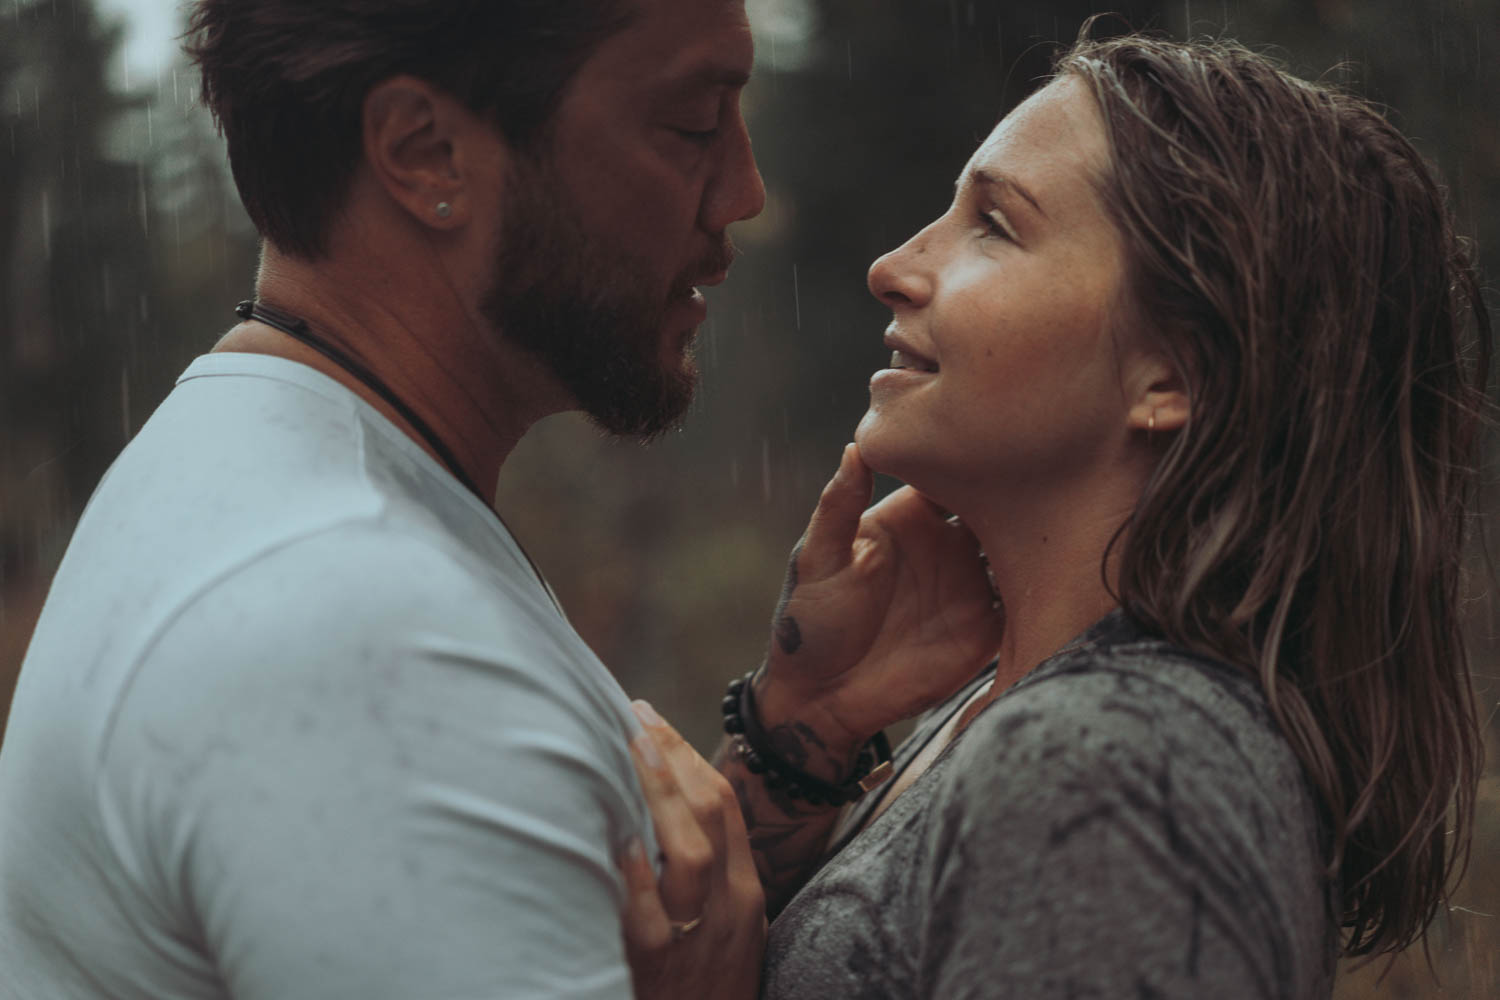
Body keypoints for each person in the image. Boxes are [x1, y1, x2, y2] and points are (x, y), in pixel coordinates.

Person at [641, 27, 1490, 998]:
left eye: (995, 226)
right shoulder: (1026, 716)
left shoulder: (1110, 770)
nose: (894, 265)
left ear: (1176, 372)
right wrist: (808, 727)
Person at [0, 1, 777, 997]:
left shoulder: (280, 482)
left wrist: (793, 749)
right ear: (425, 153)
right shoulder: (358, 632)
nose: (744, 192)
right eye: (693, 125)